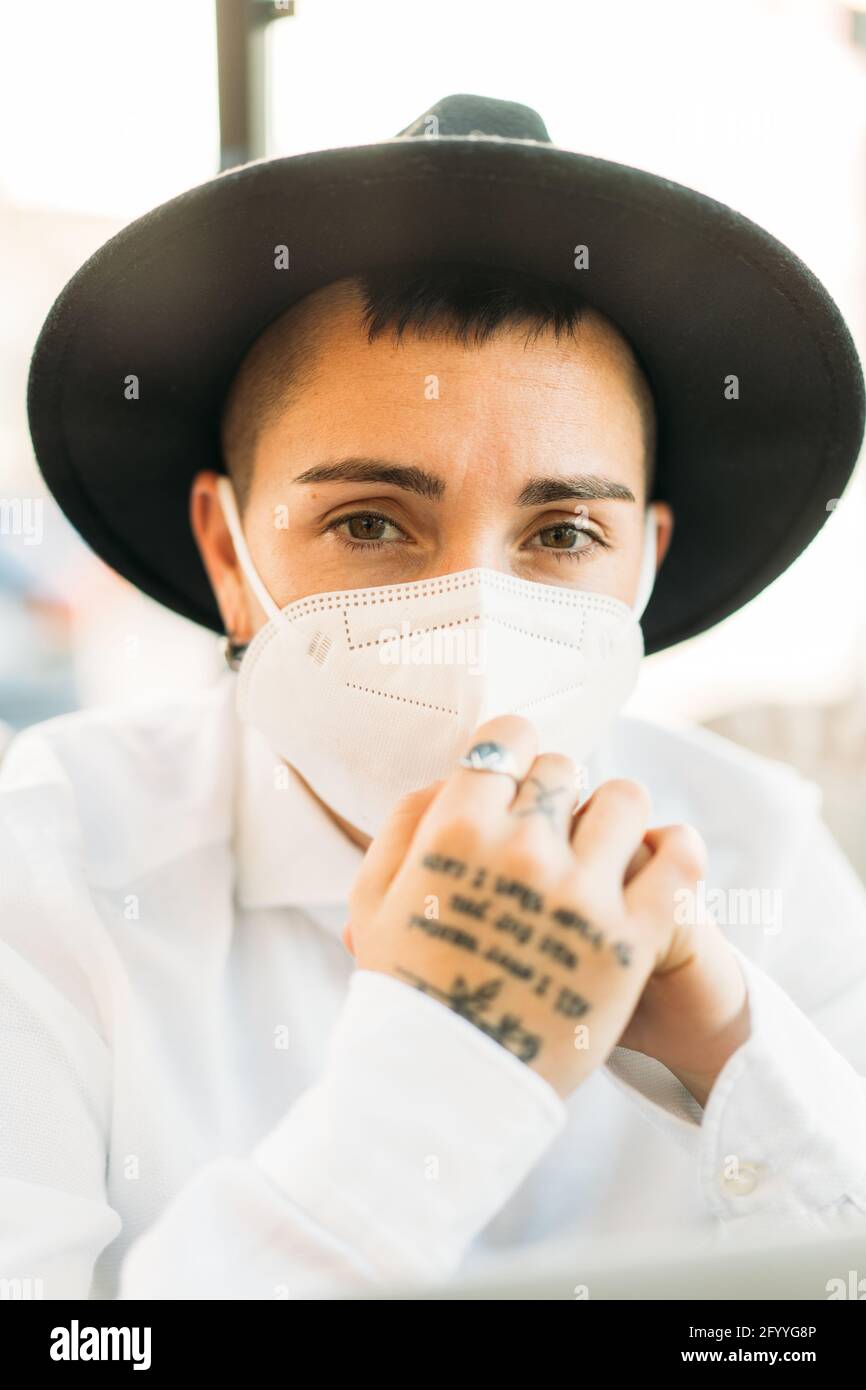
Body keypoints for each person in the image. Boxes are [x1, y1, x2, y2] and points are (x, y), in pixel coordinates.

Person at [5, 94, 866, 1300]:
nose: (476, 615)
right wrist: (450, 1060)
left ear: (644, 566)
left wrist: (731, 1053)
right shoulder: (43, 872)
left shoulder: (757, 849)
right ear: (225, 553)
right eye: (369, 521)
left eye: (563, 530)